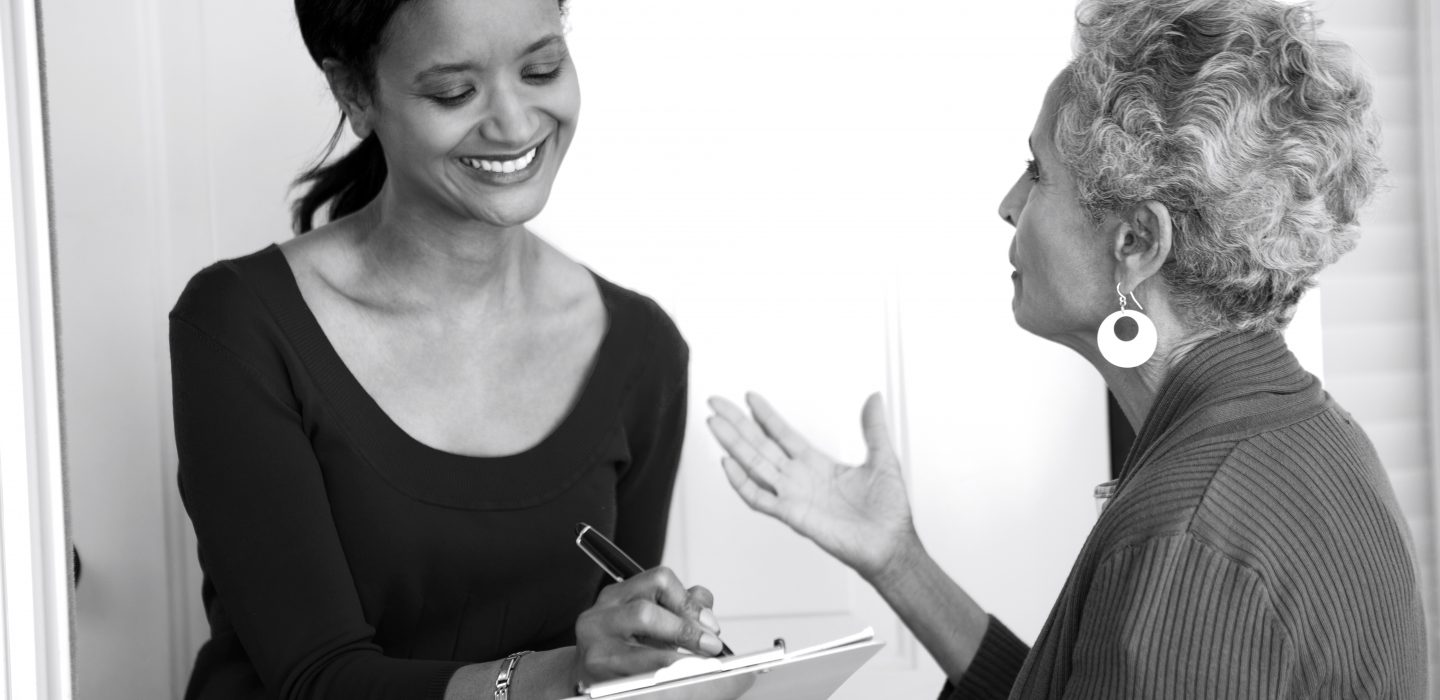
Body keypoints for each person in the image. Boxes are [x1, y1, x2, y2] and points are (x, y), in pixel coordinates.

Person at [706, 0, 1428, 697]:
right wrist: (900, 563)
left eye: (1038, 171)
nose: (1009, 204)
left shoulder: (1185, 537)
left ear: (1136, 243)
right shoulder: (1307, 434)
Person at [169, 0, 726, 697]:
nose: (516, 123)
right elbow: (316, 680)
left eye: (542, 68)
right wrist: (560, 674)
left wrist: (642, 644)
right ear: (354, 94)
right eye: (453, 91)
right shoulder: (240, 325)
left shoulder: (643, 349)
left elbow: (613, 652)